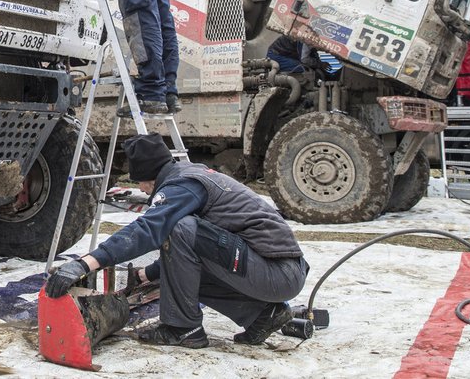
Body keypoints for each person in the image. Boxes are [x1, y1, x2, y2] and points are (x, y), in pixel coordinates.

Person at [44, 134, 309, 349]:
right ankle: (262, 314)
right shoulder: (188, 174)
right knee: (184, 246)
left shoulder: (182, 186)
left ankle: (183, 328)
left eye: (140, 183)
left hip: (277, 272)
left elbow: (149, 229)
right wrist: (146, 274)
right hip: (275, 270)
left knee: (178, 227)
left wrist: (86, 263)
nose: (143, 190)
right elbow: (194, 254)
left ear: (148, 175)